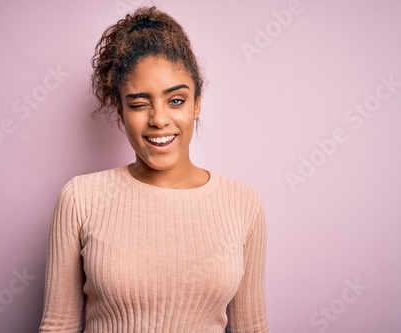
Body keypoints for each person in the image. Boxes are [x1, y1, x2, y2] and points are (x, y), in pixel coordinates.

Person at [39, 6, 269, 333]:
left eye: (176, 100)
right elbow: (57, 326)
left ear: (197, 103)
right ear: (119, 110)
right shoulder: (80, 199)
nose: (159, 119)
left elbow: (252, 327)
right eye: (138, 103)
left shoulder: (243, 204)